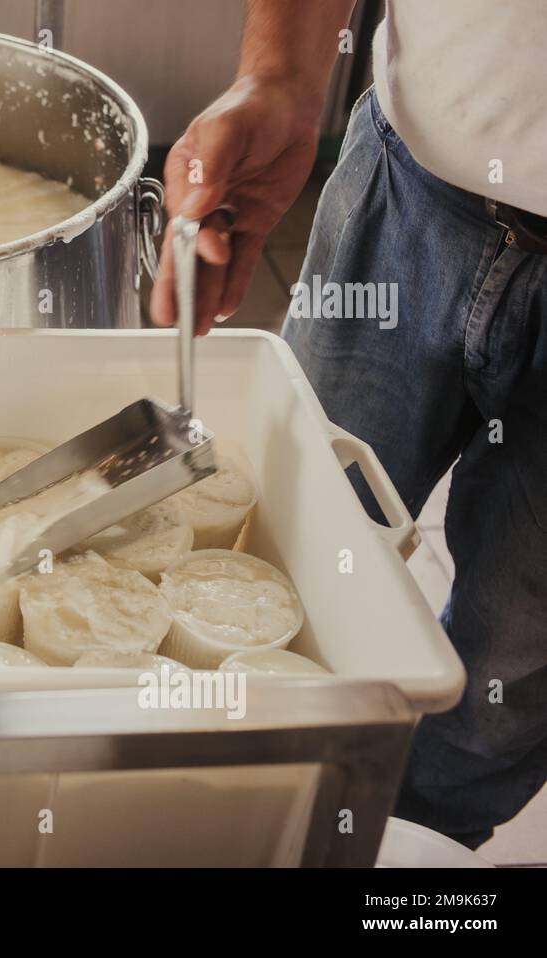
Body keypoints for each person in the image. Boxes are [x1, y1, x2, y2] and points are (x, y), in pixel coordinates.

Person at [151, 0, 547, 849]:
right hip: (410, 184)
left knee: (510, 683)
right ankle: (211, 812)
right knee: (265, 549)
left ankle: (391, 848)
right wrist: (280, 76)